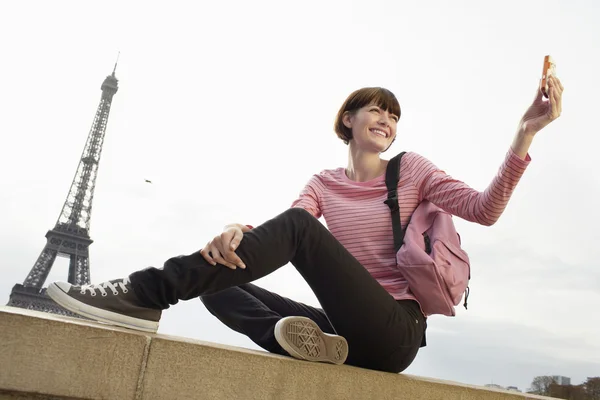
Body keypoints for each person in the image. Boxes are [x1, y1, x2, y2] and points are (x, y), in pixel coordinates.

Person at [47, 75, 563, 374]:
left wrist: (524, 134)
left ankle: (146, 290)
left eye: (393, 116)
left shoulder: (413, 171)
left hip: (394, 331)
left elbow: (486, 208)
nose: (386, 121)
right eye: (376, 111)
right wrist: (235, 228)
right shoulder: (323, 182)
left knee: (292, 230)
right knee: (220, 288)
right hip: (343, 331)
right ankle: (285, 336)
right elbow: (284, 227)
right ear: (348, 121)